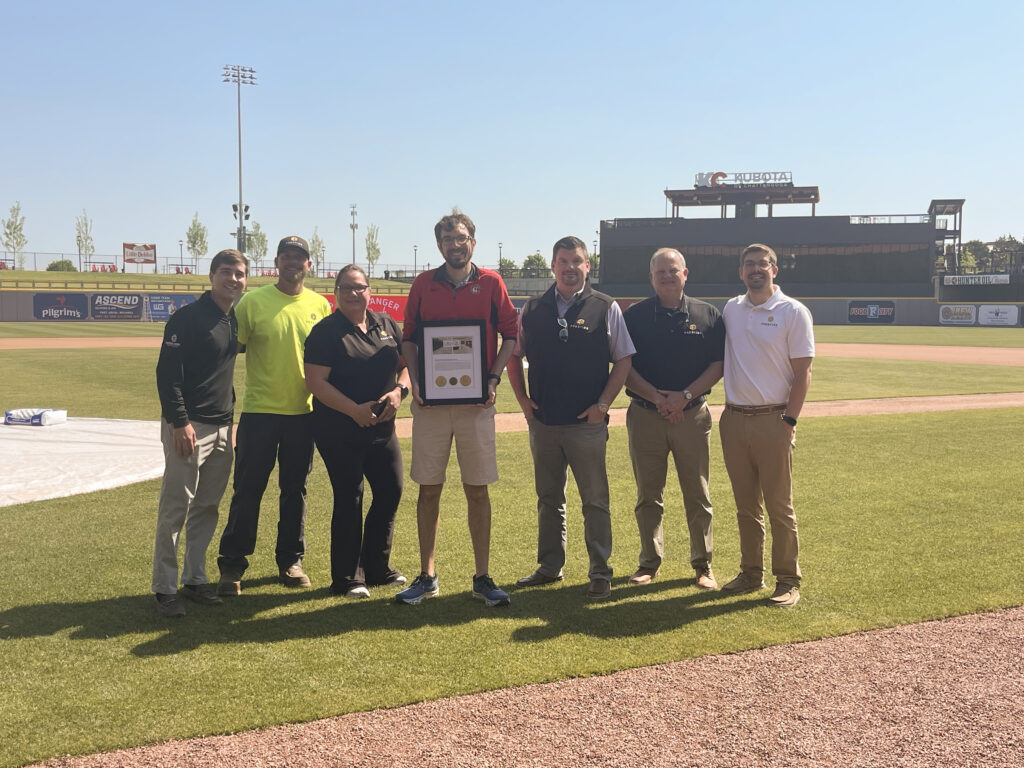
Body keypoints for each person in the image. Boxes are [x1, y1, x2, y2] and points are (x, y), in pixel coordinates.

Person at [396, 209, 519, 607]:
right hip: (431, 405)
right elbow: (410, 339)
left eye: (461, 238)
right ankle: (427, 575)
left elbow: (511, 336)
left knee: (477, 489)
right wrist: (415, 380)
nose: (455, 245)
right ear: (439, 245)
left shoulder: (491, 282)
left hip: (475, 404)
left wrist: (494, 378)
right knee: (428, 488)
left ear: (473, 242)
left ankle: (482, 577)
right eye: (448, 239)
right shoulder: (422, 284)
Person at [507, 236, 635, 600]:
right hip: (544, 422)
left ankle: (600, 571)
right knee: (548, 498)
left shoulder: (605, 307)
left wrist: (604, 405)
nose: (569, 267)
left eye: (576, 261)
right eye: (563, 261)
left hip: (587, 425)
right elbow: (513, 356)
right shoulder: (532, 309)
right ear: (552, 267)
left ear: (587, 265)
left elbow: (623, 359)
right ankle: (549, 567)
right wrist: (523, 401)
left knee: (594, 499)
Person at [217, 236, 331, 595]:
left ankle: (290, 560)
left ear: (309, 265)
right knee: (248, 490)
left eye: (300, 258)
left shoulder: (321, 305)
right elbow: (226, 351)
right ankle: (232, 566)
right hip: (260, 412)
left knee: (294, 491)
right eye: (287, 257)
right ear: (276, 262)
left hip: (304, 413)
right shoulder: (252, 302)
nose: (294, 263)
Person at [304, 265, 411, 599]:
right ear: (336, 293)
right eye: (346, 288)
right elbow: (315, 383)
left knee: (390, 490)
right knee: (350, 496)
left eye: (359, 287)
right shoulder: (326, 331)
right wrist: (354, 410)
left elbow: (406, 366)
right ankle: (348, 577)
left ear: (369, 291)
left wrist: (399, 393)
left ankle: (377, 567)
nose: (354, 293)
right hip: (339, 428)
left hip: (382, 427)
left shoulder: (386, 323)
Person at [152, 248, 248, 617]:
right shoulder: (186, 318)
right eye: (226, 272)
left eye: (239, 274)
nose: (233, 279)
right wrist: (180, 422)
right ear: (212, 276)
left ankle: (195, 579)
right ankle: (165, 588)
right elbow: (167, 375)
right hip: (189, 426)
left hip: (224, 427)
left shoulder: (233, 319)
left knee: (207, 507)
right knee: (176, 507)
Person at [622, 248, 725, 590]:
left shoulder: (707, 314)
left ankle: (703, 565)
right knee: (648, 494)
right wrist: (658, 399)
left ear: (685, 273)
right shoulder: (634, 317)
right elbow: (624, 366)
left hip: (692, 415)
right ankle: (649, 562)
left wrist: (682, 398)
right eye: (660, 271)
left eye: (673, 270)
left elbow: (717, 365)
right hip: (645, 414)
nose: (667, 276)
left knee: (697, 493)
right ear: (651, 277)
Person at [719, 243, 814, 608]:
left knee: (779, 505)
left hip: (774, 418)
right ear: (741, 272)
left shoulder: (793, 311)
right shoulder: (731, 308)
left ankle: (788, 579)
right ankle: (750, 573)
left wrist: (789, 420)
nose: (755, 269)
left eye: (762, 264)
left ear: (775, 269)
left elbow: (804, 373)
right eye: (749, 264)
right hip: (734, 418)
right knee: (746, 506)